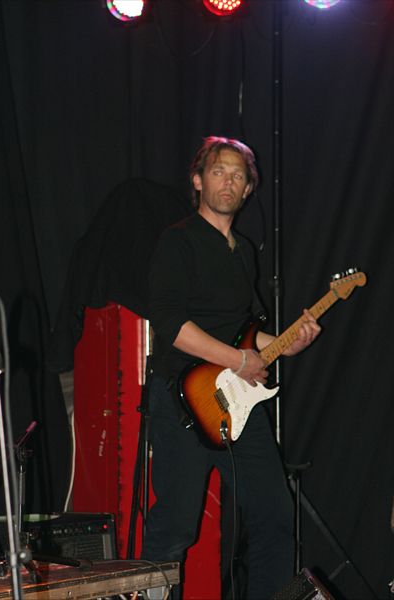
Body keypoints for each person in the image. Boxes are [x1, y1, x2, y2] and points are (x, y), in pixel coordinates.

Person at [141, 137, 321, 599]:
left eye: (238, 175)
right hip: (182, 399)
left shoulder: (243, 252)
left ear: (247, 190)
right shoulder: (178, 240)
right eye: (219, 171)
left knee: (275, 516)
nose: (228, 181)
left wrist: (289, 344)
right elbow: (171, 326)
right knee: (175, 526)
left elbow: (248, 333)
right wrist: (240, 360)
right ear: (198, 181)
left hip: (235, 405)